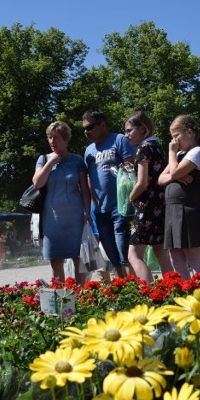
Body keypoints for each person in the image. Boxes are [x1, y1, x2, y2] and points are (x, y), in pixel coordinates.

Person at [159, 115, 200, 278]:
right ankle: (185, 293)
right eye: (172, 137)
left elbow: (174, 171)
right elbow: (160, 179)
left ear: (190, 132)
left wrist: (172, 157)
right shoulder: (178, 156)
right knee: (176, 257)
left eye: (176, 136)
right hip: (173, 209)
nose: (174, 141)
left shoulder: (197, 152)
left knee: (193, 258)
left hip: (189, 208)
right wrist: (176, 175)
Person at [33, 121, 91, 282]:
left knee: (78, 258)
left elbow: (85, 190)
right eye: (49, 138)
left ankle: (81, 296)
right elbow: (37, 183)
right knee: (55, 259)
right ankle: (60, 297)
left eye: (56, 138)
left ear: (66, 139)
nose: (52, 141)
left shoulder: (77, 160)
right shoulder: (43, 159)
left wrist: (87, 212)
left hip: (75, 217)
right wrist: (51, 162)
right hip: (52, 218)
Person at [83, 110, 136, 279]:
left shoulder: (119, 139)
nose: (86, 131)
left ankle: (136, 291)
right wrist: (93, 205)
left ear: (103, 125)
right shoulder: (89, 150)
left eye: (90, 127)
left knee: (124, 254)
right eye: (84, 128)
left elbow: (131, 168)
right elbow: (89, 179)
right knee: (113, 258)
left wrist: (129, 201)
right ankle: (123, 291)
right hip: (101, 211)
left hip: (121, 207)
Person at [123, 111, 173, 283]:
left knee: (134, 254)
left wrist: (131, 197)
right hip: (160, 204)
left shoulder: (143, 149)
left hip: (146, 206)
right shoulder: (157, 147)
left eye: (129, 130)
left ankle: (148, 291)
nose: (126, 135)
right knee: (161, 252)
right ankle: (174, 287)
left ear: (142, 129)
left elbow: (142, 182)